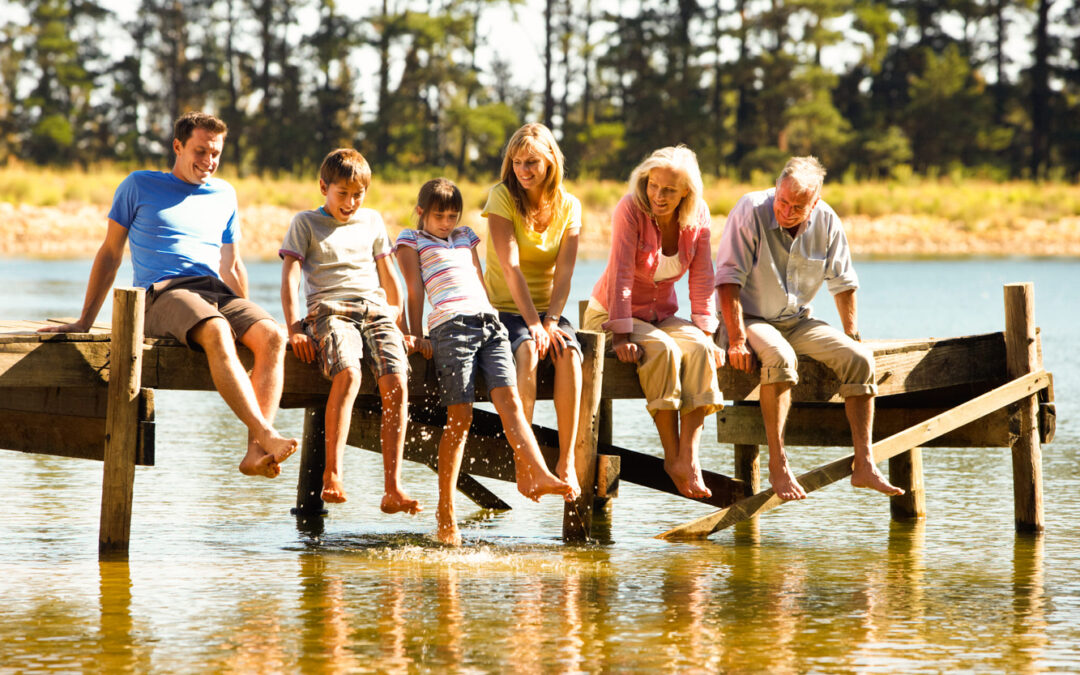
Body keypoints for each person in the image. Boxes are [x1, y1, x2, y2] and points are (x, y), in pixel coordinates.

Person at [38, 111, 298, 478]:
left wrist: (249, 318)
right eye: (200, 151)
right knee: (217, 330)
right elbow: (110, 253)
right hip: (162, 294)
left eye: (215, 153)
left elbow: (233, 264)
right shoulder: (138, 186)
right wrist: (84, 320)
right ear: (177, 146)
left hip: (213, 290)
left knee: (272, 334)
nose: (208, 161)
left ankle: (255, 453)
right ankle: (266, 432)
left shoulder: (225, 193)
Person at [395, 178, 575, 546]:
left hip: (489, 324)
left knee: (508, 400)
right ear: (421, 213)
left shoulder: (465, 237)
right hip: (450, 325)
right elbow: (413, 290)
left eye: (452, 215)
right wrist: (416, 334)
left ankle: (538, 471)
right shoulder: (410, 240)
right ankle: (446, 510)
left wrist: (494, 313)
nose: (446, 222)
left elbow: (479, 278)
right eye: (438, 215)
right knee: (459, 415)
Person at [714, 155, 904, 501]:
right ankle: (779, 463)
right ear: (776, 188)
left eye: (798, 206)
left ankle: (864, 464)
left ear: (814, 203)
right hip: (749, 320)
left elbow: (844, 282)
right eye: (782, 201)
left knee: (859, 359)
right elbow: (727, 281)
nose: (786, 211)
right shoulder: (749, 210)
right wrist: (737, 339)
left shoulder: (827, 220)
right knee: (782, 358)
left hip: (797, 320)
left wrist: (851, 333)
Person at [279, 148, 421, 514]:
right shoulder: (305, 223)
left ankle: (393, 487)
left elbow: (389, 276)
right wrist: (295, 327)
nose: (350, 202)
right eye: (342, 194)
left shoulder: (372, 221)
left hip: (375, 310)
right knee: (349, 372)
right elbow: (291, 276)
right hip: (330, 310)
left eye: (358, 194)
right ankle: (333, 473)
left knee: (397, 381)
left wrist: (399, 322)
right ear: (323, 187)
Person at [582, 146, 724, 500]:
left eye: (669, 190)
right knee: (662, 350)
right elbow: (620, 275)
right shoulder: (630, 208)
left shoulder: (699, 215)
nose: (658, 196)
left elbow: (703, 277)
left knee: (702, 349)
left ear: (686, 193)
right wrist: (620, 335)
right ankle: (672, 458)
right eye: (653, 186)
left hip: (661, 315)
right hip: (612, 313)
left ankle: (688, 458)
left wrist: (706, 331)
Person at [483, 123, 583, 496]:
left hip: (547, 310)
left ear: (550, 163)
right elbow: (510, 267)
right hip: (504, 308)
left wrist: (552, 321)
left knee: (570, 354)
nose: (523, 171)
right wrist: (533, 324)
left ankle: (566, 461)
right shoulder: (501, 197)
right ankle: (524, 461)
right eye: (517, 162)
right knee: (526, 351)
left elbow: (566, 273)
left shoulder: (570, 206)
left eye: (532, 163)